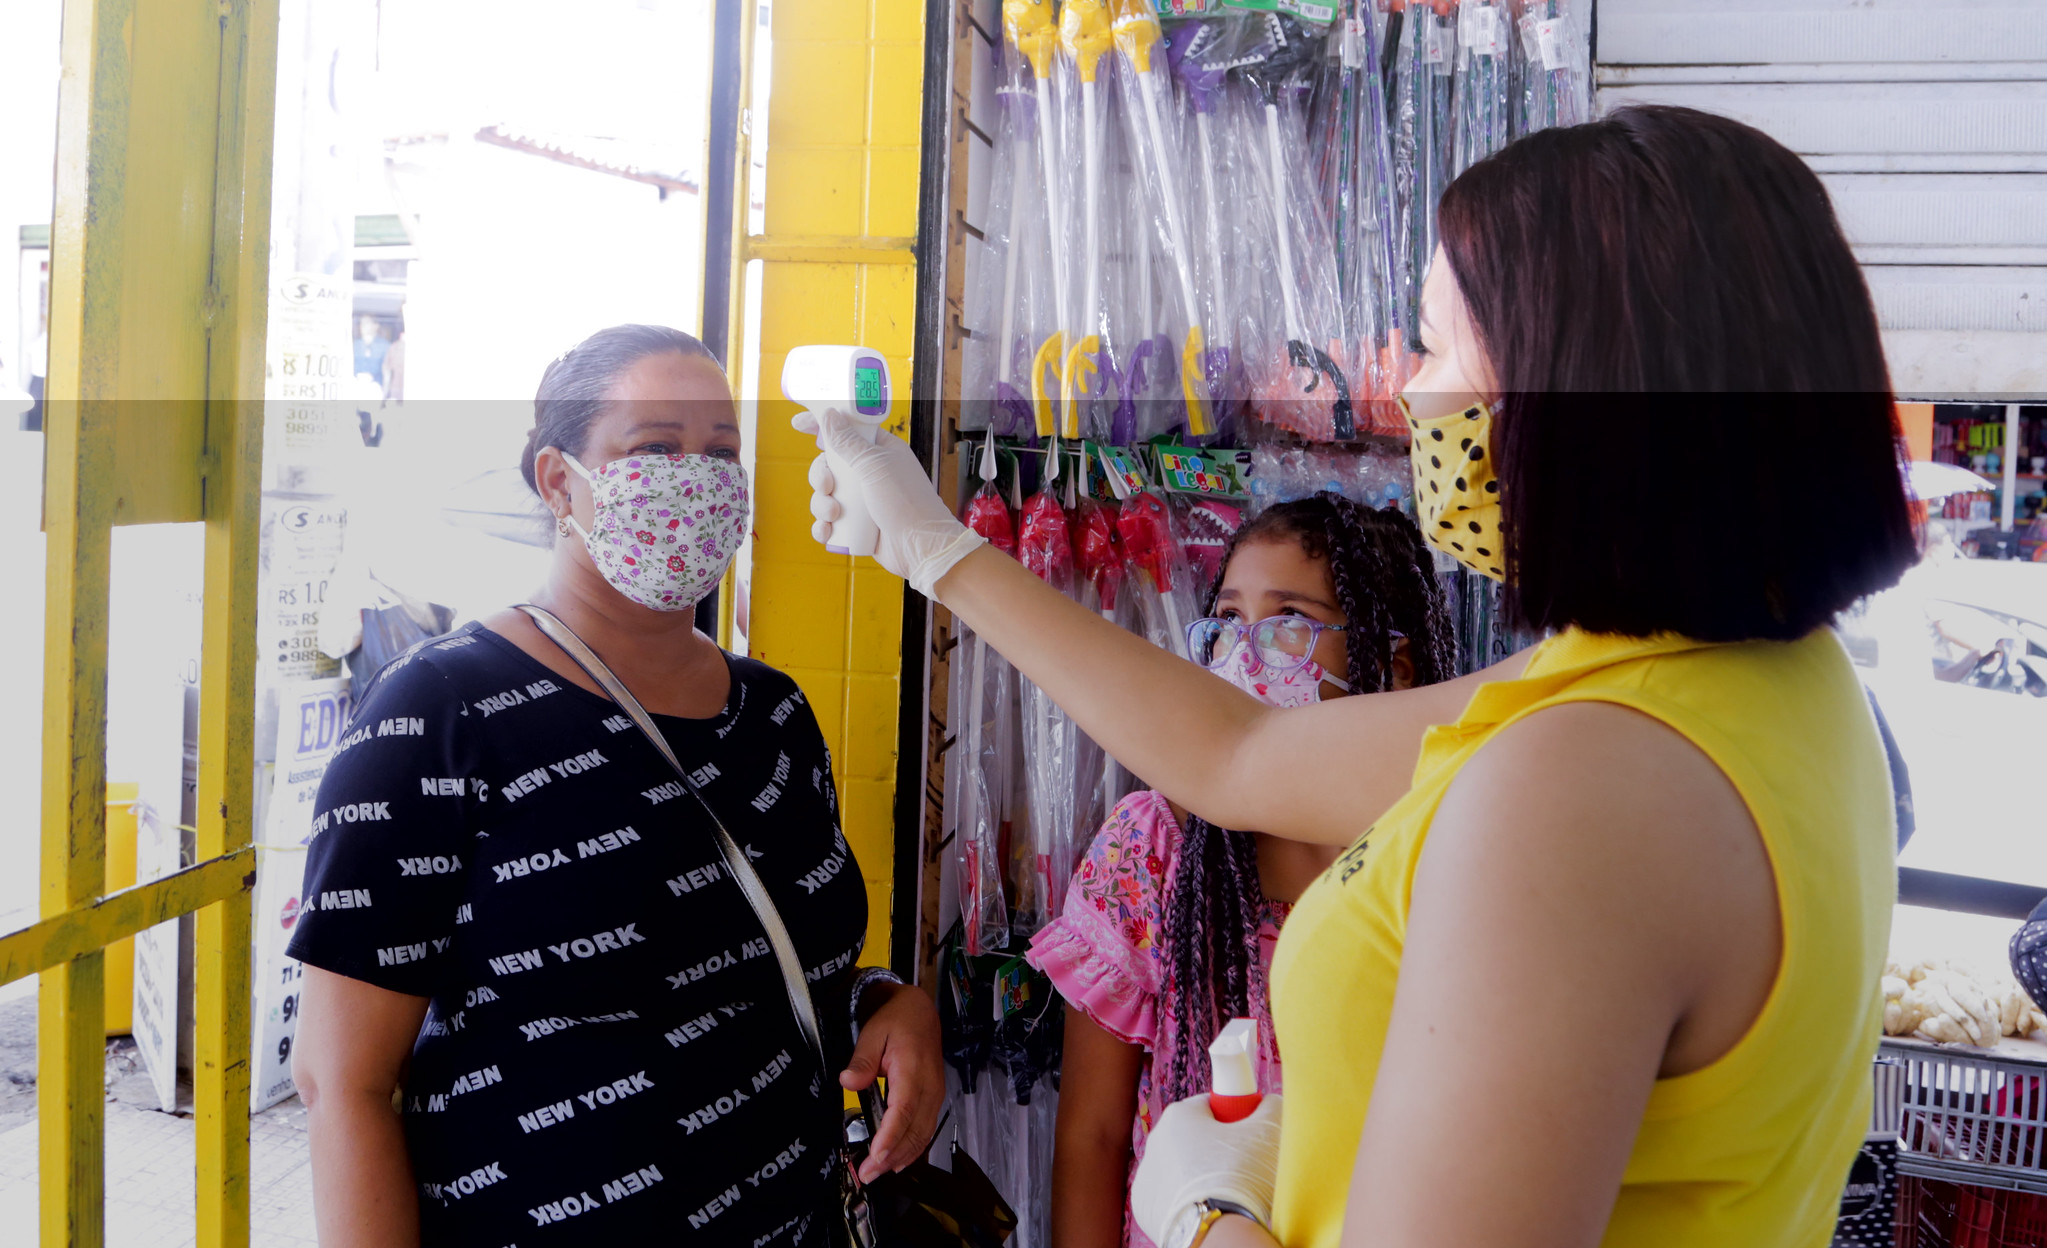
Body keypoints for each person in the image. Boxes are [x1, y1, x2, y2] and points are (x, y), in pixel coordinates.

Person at [802, 104, 1916, 1248]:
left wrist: (1208, 1215)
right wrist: (940, 554)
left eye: (1433, 346)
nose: (1408, 397)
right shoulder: (1759, 684)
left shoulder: (1587, 787)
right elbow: (1240, 757)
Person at [290, 323, 943, 1248]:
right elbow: (341, 1085)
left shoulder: (774, 713)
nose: (698, 474)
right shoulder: (440, 711)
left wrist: (887, 1000)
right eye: (654, 448)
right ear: (561, 482)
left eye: (722, 451)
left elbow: (773, 958)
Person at [1030, 496, 1456, 1248]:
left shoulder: (1446, 859)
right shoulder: (1153, 851)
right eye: (1226, 620)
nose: (1242, 653)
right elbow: (1092, 1138)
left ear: (1394, 668)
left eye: (1288, 620)